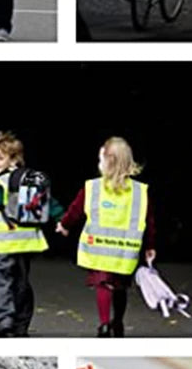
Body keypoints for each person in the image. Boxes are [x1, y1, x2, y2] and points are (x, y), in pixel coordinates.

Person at [0, 131, 64, 337]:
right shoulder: (33, 181)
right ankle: (21, 325)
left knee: (0, 284)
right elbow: (50, 203)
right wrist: (61, 218)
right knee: (21, 284)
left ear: (13, 159)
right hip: (27, 244)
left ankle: (4, 323)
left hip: (3, 244)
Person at [56, 137, 155, 337]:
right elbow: (149, 221)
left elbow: (76, 210)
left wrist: (64, 225)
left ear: (107, 162)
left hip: (99, 250)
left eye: (100, 159)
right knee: (120, 288)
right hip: (125, 253)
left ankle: (103, 324)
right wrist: (149, 247)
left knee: (104, 285)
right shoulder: (139, 192)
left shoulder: (92, 188)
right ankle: (117, 322)